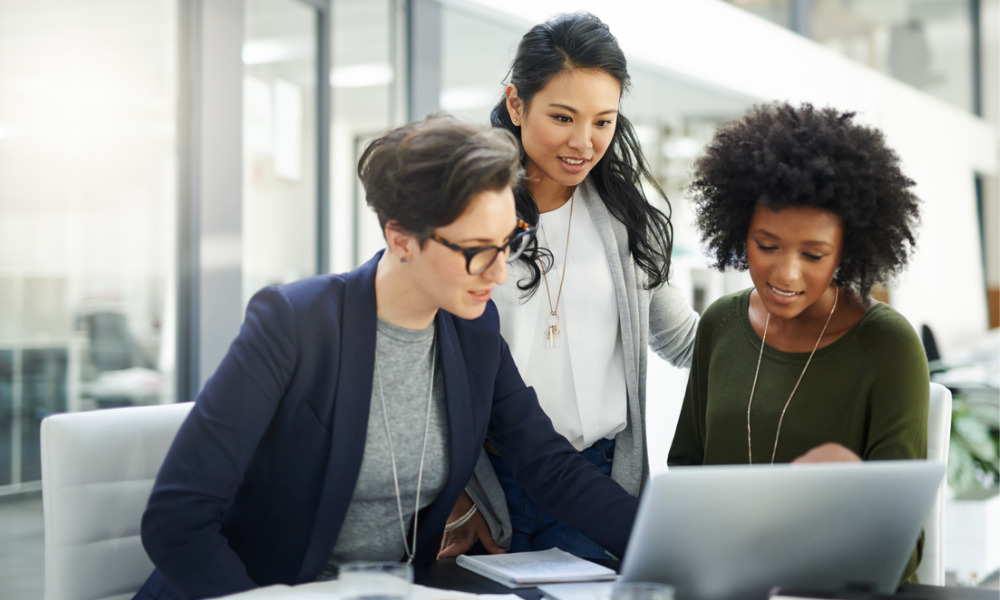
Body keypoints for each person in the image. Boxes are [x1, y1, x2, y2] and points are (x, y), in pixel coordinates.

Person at [133, 115, 639, 600]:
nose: (500, 273)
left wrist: (659, 539)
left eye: (508, 244)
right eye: (477, 250)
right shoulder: (294, 324)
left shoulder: (473, 330)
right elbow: (177, 519)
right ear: (400, 239)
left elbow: (547, 465)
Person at [439, 12, 699, 560]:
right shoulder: (465, 214)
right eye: (563, 117)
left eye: (603, 122)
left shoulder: (629, 219)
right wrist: (459, 495)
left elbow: (683, 340)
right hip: (490, 487)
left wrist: (791, 329)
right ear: (516, 104)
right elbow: (427, 364)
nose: (584, 142)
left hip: (600, 482)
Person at [667, 101, 928, 581]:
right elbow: (685, 471)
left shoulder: (888, 347)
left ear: (847, 251)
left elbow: (902, 545)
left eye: (813, 254)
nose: (785, 273)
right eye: (766, 246)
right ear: (738, 230)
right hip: (727, 581)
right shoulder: (720, 324)